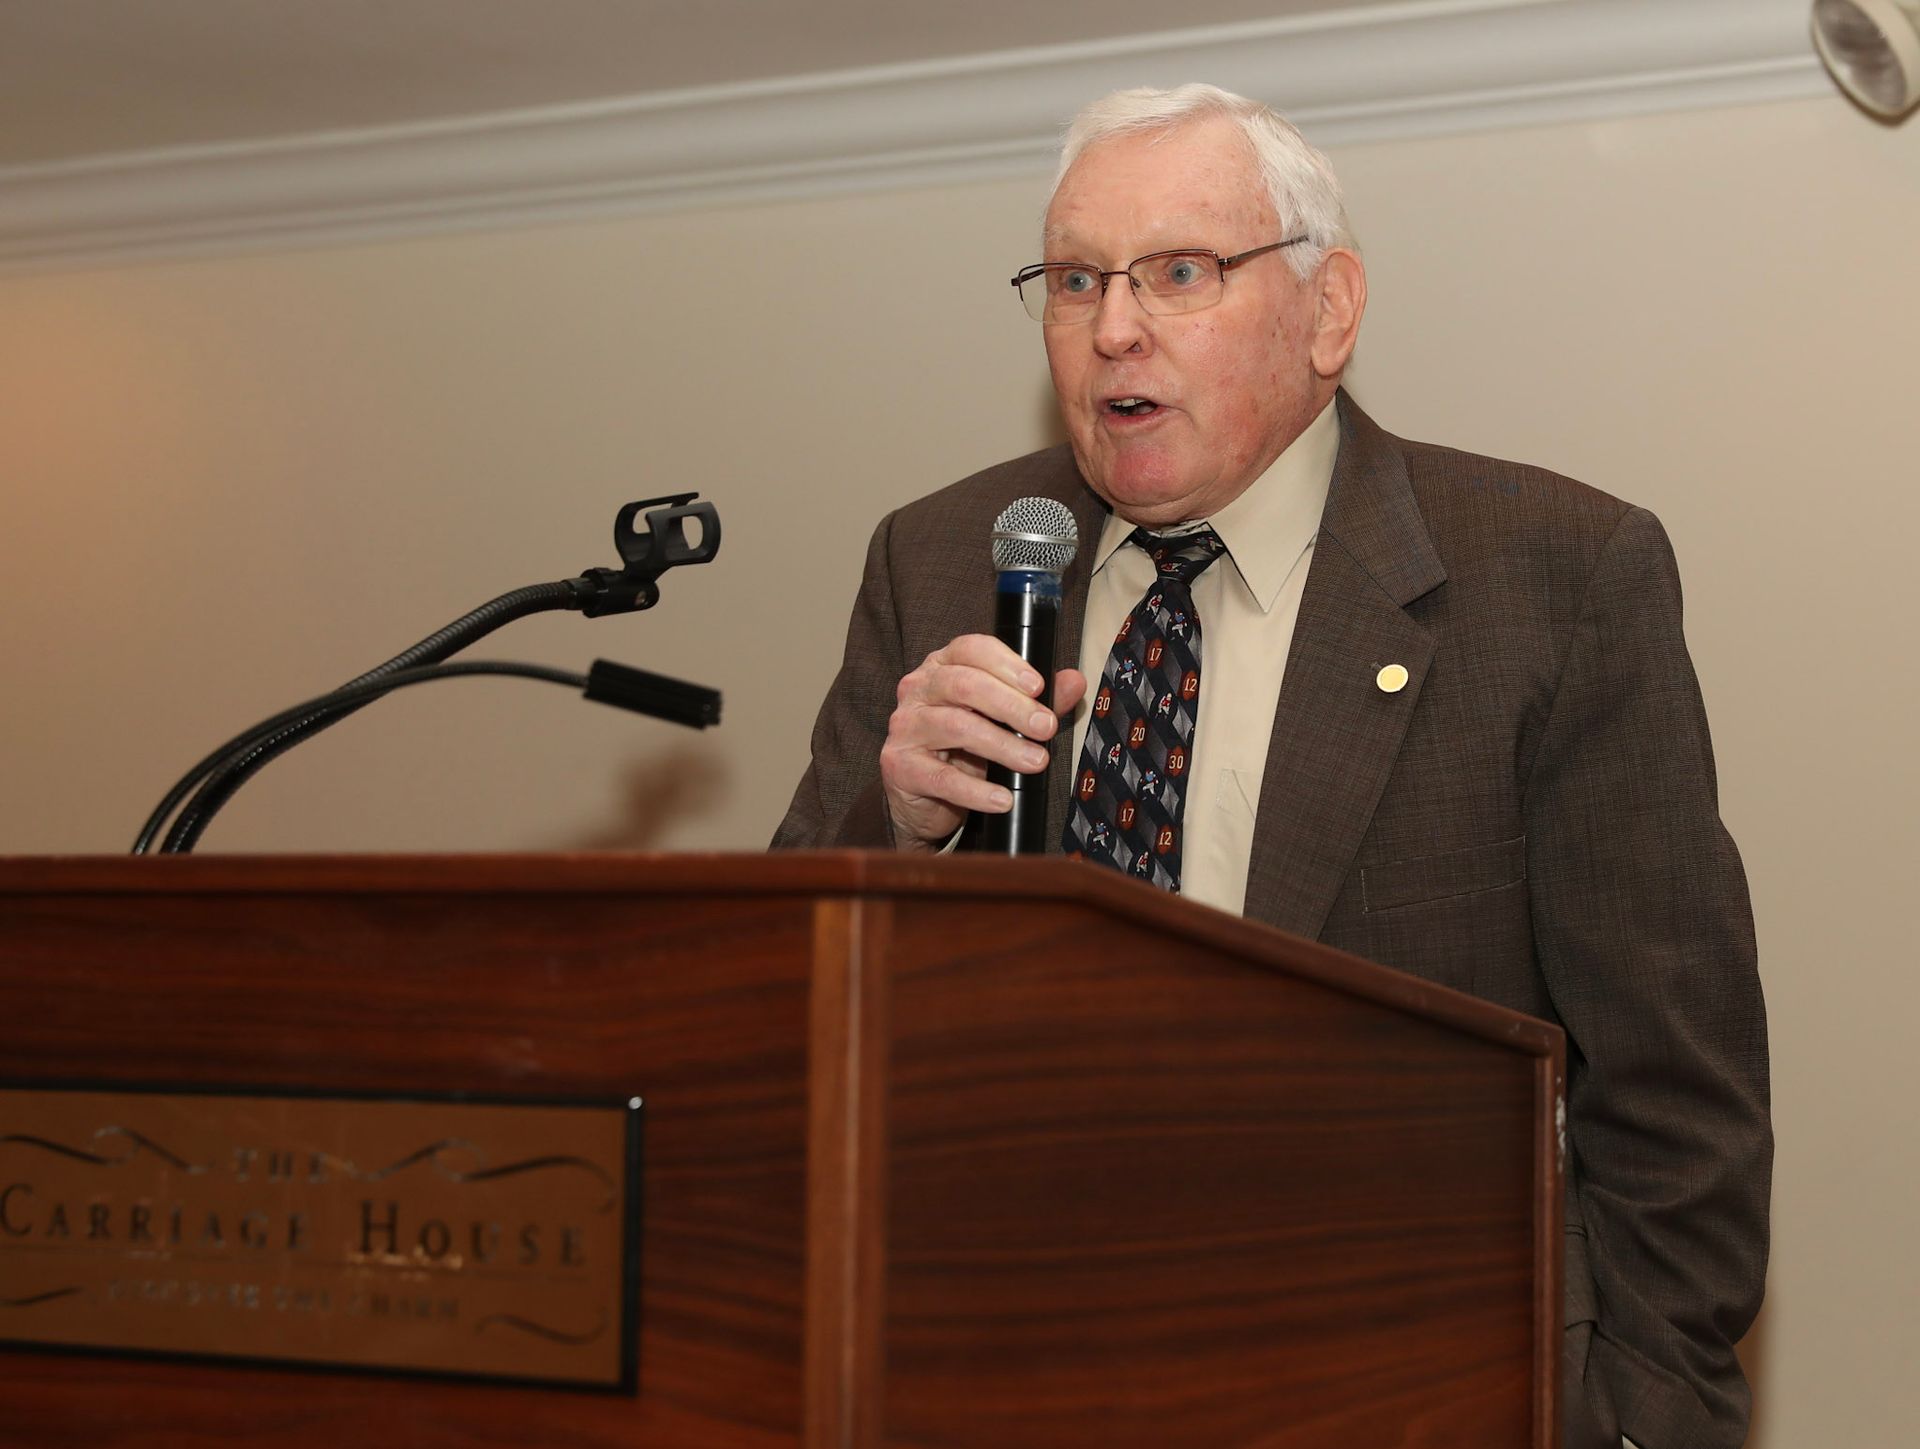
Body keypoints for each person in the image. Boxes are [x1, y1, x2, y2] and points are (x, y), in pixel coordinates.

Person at [774, 84, 1769, 1449]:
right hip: (996, 1372)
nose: (1113, 326)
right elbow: (777, 1004)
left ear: (1330, 310)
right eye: (1074, 280)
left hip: (1415, 1388)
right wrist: (896, 820)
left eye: (1178, 272)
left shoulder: (1553, 578)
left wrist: (1646, 1424)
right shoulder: (946, 558)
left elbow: (1675, 1096)